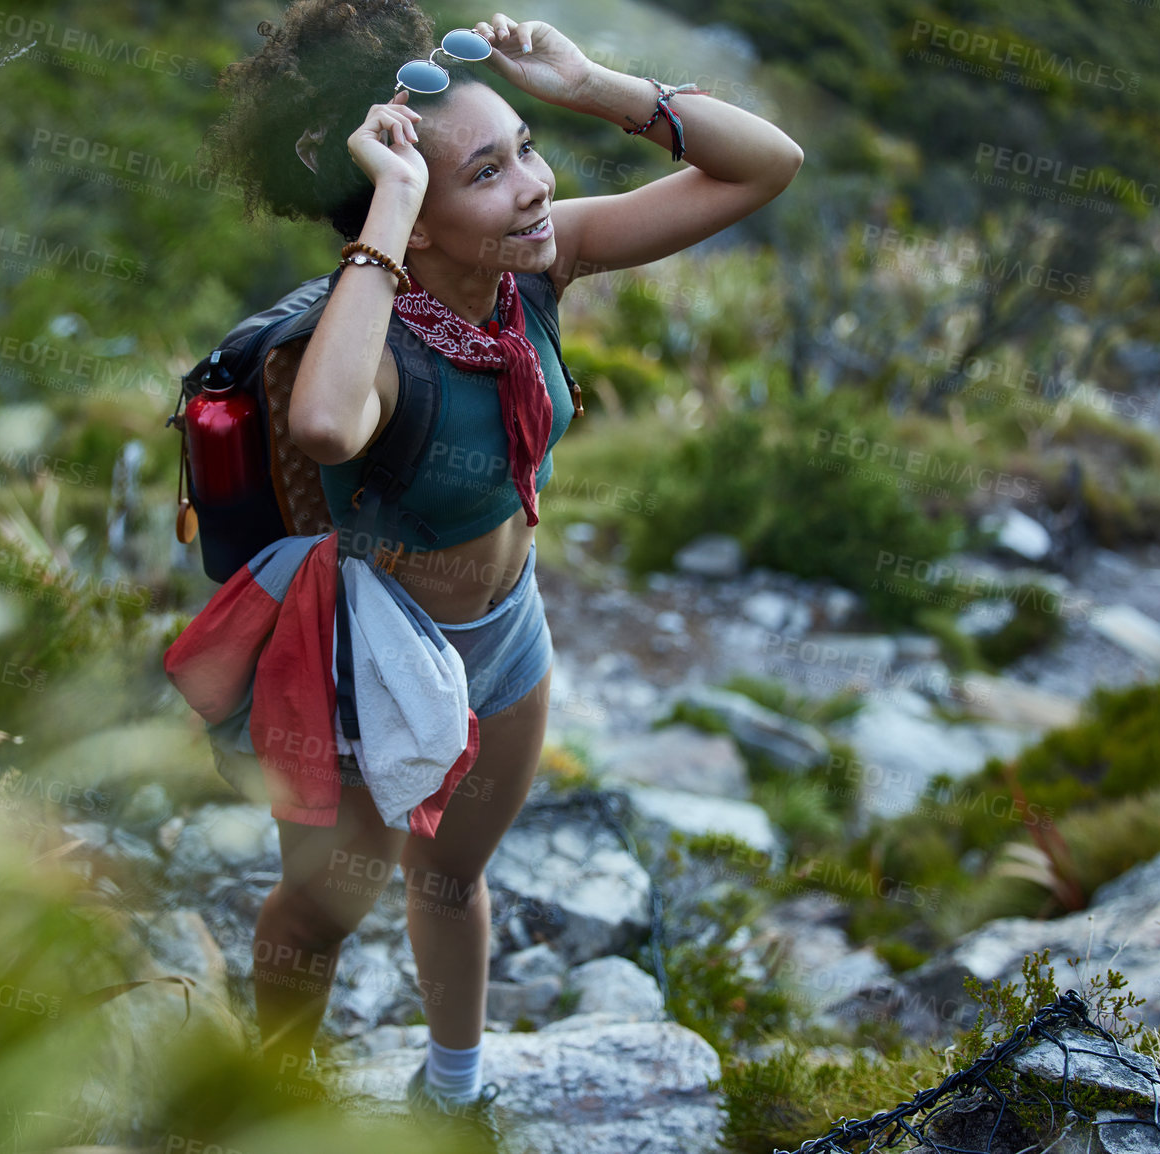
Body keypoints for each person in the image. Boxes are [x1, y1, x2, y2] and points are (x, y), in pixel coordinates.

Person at [204, 0, 803, 1142]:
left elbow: (767, 166)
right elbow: (328, 424)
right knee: (329, 905)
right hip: (363, 669)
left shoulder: (538, 265)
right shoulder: (366, 334)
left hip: (504, 636)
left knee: (449, 875)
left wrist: (592, 87)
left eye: (526, 147)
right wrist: (391, 204)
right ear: (416, 216)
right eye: (490, 171)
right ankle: (260, 1098)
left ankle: (456, 1092)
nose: (534, 183)